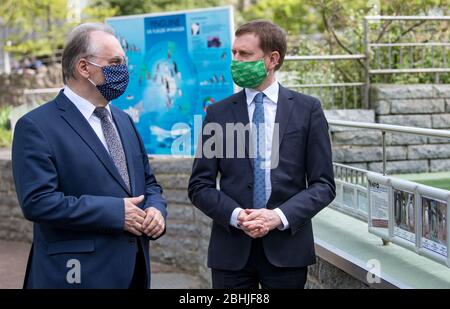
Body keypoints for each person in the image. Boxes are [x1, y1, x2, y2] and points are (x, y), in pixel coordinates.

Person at [12, 23, 167, 289]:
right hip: (74, 276)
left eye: (124, 62)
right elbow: (38, 201)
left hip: (133, 272)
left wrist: (156, 210)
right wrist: (115, 212)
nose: (124, 70)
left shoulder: (124, 121)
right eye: (116, 62)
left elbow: (149, 182)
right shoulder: (36, 126)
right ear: (84, 68)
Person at [188, 20, 335, 289]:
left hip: (287, 251)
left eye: (245, 54)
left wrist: (277, 216)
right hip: (231, 253)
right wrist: (236, 216)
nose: (235, 61)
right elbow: (199, 186)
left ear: (272, 59)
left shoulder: (307, 110)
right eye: (234, 53)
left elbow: (323, 186)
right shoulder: (218, 114)